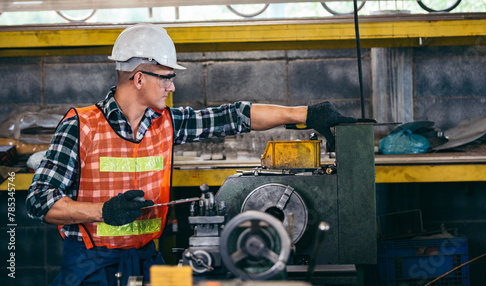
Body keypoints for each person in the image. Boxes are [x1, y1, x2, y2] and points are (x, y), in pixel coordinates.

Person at [26, 23, 356, 285]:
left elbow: (234, 115)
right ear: (139, 78)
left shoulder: (167, 123)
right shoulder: (81, 125)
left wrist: (306, 114)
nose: (172, 87)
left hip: (147, 262)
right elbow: (38, 200)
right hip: (90, 267)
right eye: (167, 78)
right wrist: (103, 211)